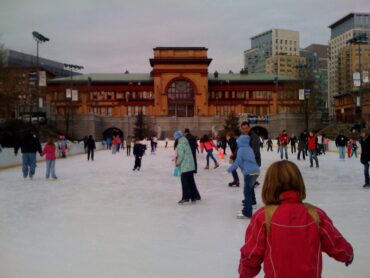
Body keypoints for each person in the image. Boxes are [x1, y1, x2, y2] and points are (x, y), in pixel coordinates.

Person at [238, 160, 354, 277]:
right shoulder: (316, 214)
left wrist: (244, 274)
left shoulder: (263, 217)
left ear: (269, 185)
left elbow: (251, 255)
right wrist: (348, 255)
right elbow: (335, 243)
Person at [227, 135, 260, 219]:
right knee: (250, 189)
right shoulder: (249, 149)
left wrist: (229, 169)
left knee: (247, 192)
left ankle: (247, 212)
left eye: (239, 141)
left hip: (249, 173)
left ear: (241, 142)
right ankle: (253, 203)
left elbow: (237, 162)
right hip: (256, 171)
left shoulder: (241, 150)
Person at [174, 131, 201, 204]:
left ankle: (186, 197)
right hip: (191, 165)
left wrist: (177, 163)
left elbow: (181, 155)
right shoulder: (186, 141)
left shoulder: (180, 144)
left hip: (185, 166)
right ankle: (195, 196)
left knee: (184, 181)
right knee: (191, 181)